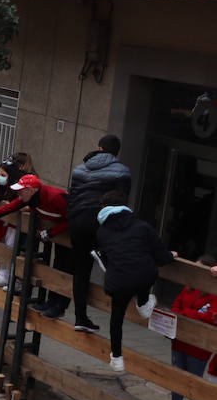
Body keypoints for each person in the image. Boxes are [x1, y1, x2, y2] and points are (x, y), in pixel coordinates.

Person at [95, 193, 174, 372]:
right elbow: (162, 257)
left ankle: (116, 357)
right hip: (143, 277)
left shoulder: (102, 232)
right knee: (143, 275)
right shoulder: (142, 227)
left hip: (119, 281)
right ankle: (143, 302)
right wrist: (171, 255)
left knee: (116, 319)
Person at [65, 134, 132, 334]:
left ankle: (80, 317)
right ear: (117, 151)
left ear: (99, 147)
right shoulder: (122, 172)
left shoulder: (79, 169)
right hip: (99, 221)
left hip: (77, 220)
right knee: (115, 264)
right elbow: (120, 202)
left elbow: (72, 194)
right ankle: (101, 252)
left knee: (81, 269)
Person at [167, 255, 217, 400]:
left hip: (199, 344)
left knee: (195, 382)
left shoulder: (214, 292)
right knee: (177, 375)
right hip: (180, 338)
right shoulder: (189, 286)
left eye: (199, 269)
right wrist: (185, 314)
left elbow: (210, 317)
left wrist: (185, 314)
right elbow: (175, 305)